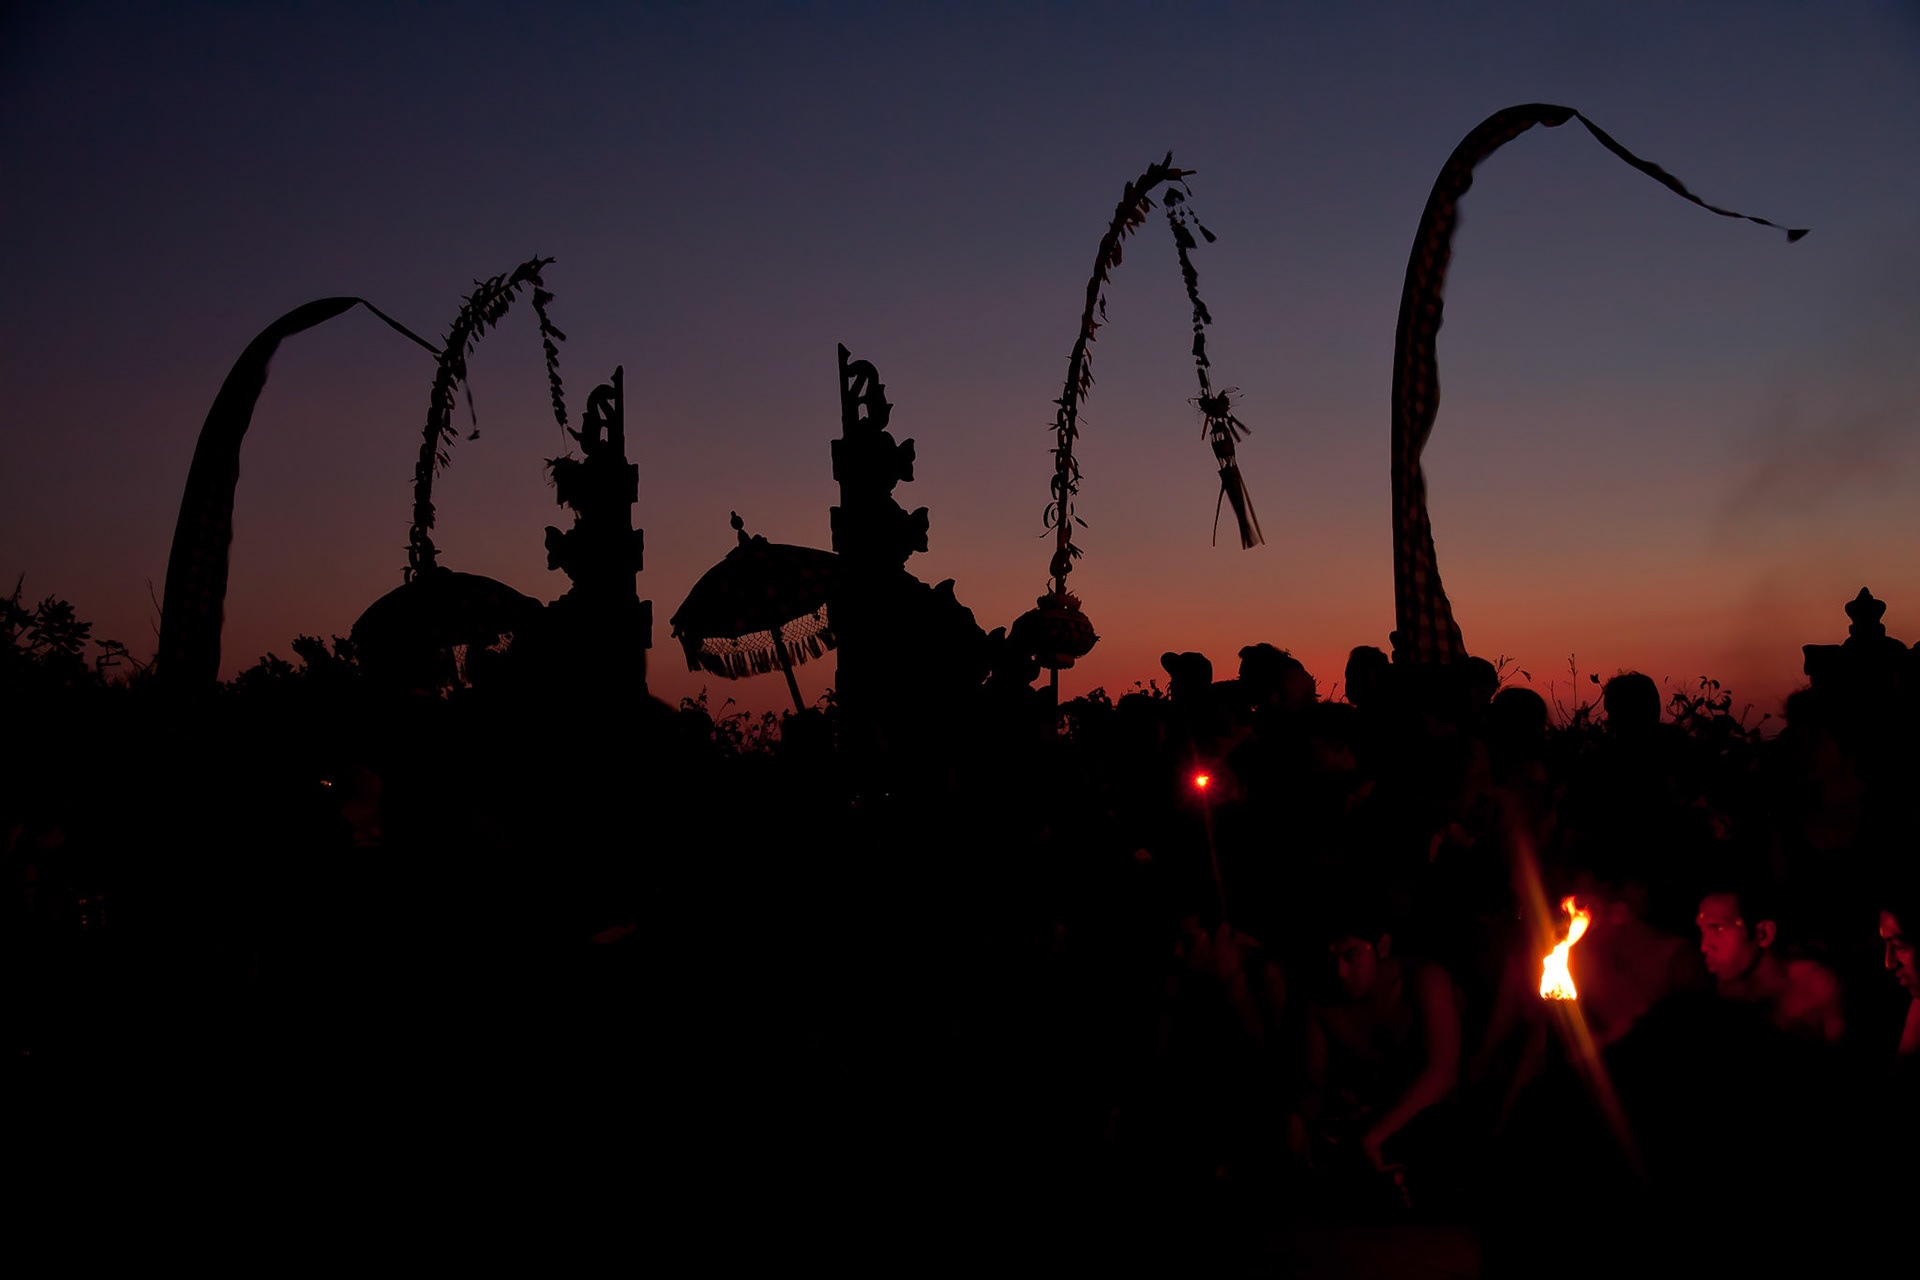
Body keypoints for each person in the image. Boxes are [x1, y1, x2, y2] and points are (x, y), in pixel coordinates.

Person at [1290, 906, 1461, 1190]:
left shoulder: (1424, 981)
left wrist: (1373, 1136)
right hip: (1365, 1116)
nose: (1340, 971)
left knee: (1441, 1133)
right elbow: (1314, 1085)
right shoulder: (1321, 1003)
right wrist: (1295, 1120)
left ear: (1381, 947)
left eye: (1350, 956)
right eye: (1331, 957)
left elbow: (1442, 1073)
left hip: (1424, 1117)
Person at [1695, 885, 1844, 1043]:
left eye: (1717, 928)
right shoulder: (1726, 988)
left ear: (1764, 934)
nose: (1704, 946)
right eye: (1702, 931)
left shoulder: (1816, 988)